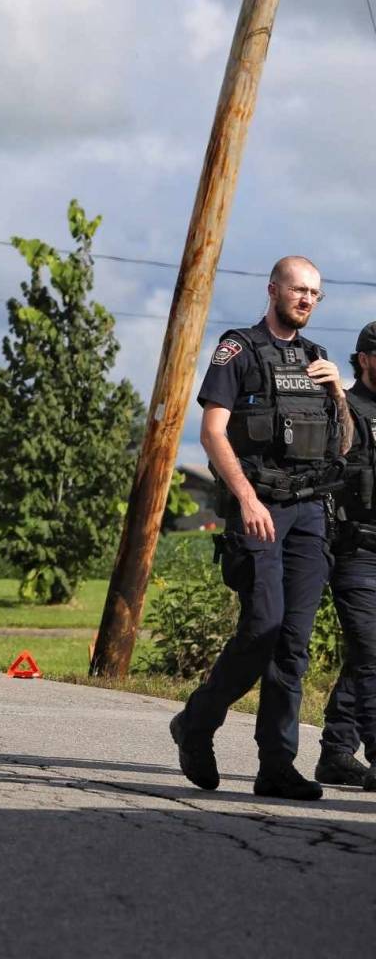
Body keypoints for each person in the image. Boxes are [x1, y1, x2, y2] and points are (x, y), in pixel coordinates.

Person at [169, 256, 350, 800]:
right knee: (262, 626)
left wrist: (339, 392)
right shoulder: (239, 350)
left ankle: (276, 765)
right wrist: (245, 497)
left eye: (315, 293)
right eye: (298, 290)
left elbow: (342, 449)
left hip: (310, 514)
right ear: (273, 289)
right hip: (261, 509)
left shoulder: (318, 360)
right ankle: (197, 723)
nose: (306, 300)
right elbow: (211, 432)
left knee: (292, 645)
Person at [311, 321, 376, 790]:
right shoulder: (345, 406)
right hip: (358, 549)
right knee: (373, 652)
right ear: (365, 358)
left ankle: (336, 751)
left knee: (363, 655)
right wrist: (335, 395)